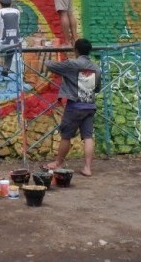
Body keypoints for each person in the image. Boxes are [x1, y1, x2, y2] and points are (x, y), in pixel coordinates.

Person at [44, 38, 101, 176]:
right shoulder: (96, 68)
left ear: (76, 50)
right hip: (89, 105)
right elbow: (97, 88)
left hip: (75, 106)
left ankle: (58, 163)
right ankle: (87, 168)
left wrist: (48, 51)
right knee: (87, 136)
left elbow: (51, 65)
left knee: (66, 136)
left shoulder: (72, 64)